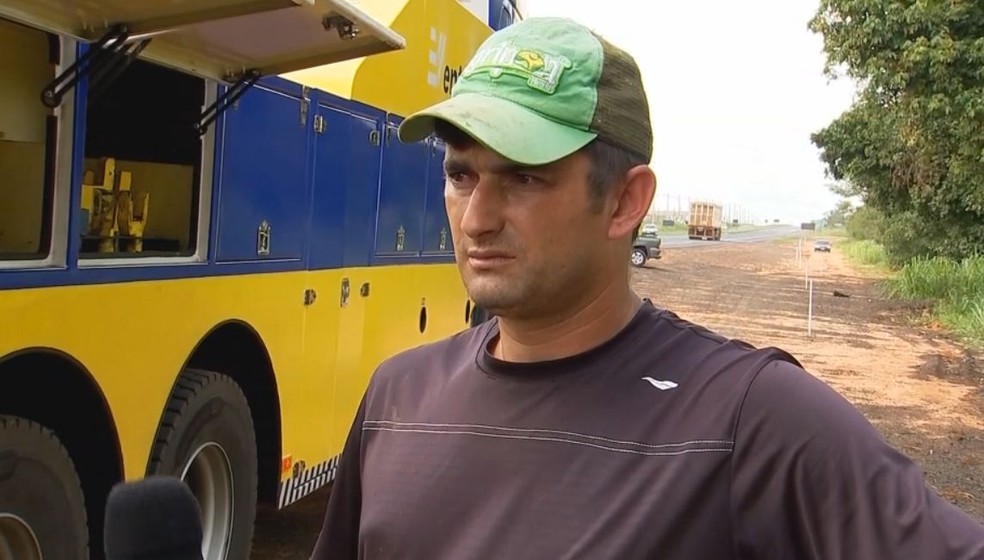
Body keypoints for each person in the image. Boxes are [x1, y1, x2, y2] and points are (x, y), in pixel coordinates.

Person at [310, 16, 984, 559]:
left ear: (626, 203)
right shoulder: (397, 395)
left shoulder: (748, 419)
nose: (477, 218)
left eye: (525, 177)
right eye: (462, 176)